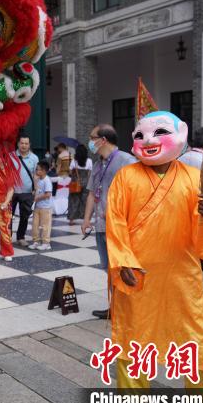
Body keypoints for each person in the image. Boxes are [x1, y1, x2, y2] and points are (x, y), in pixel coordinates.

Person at [106, 112, 203, 403]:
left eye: (158, 133)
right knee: (134, 343)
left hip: (184, 278)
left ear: (181, 133)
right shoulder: (126, 177)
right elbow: (115, 222)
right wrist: (123, 261)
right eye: (140, 136)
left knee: (202, 344)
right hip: (138, 277)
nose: (149, 141)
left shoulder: (195, 178)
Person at [82, 124, 136, 320]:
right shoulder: (97, 165)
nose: (90, 141)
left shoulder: (127, 161)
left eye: (92, 137)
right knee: (109, 268)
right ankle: (114, 307)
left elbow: (137, 194)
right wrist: (87, 219)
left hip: (120, 228)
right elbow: (91, 194)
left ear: (102, 140)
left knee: (123, 268)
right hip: (101, 226)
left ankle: (128, 309)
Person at [179, 126, 203, 292]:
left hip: (186, 210)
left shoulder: (184, 156)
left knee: (192, 253)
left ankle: (199, 285)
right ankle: (201, 289)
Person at [10, 135, 38, 246]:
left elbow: (36, 175)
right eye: (22, 143)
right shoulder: (11, 156)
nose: (24, 146)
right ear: (18, 144)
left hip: (27, 191)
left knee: (24, 216)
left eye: (26, 143)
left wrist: (36, 189)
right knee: (8, 216)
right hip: (11, 191)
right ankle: (7, 236)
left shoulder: (34, 158)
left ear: (29, 145)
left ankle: (21, 237)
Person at [28, 161, 53, 251]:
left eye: (38, 170)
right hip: (37, 206)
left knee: (45, 225)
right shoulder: (38, 180)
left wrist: (37, 198)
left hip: (45, 207)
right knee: (35, 224)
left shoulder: (47, 180)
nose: (36, 171)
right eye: (36, 169)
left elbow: (48, 194)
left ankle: (46, 243)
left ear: (44, 171)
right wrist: (35, 193)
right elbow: (37, 190)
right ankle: (36, 241)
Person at [67, 145, 93, 225]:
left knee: (73, 200)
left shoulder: (74, 161)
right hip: (86, 183)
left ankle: (71, 219)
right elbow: (89, 173)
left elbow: (70, 172)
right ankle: (86, 219)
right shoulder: (89, 160)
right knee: (85, 201)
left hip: (75, 183)